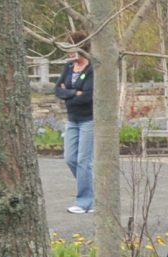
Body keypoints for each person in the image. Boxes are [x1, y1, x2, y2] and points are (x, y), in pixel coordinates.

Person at [53, 34, 94, 214]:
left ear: (81, 48)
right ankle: (94, 193)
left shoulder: (92, 68)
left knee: (83, 161)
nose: (69, 52)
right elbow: (57, 90)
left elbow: (87, 96)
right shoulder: (69, 67)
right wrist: (73, 93)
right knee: (70, 159)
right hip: (72, 119)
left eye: (71, 48)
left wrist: (69, 93)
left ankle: (85, 202)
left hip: (89, 120)